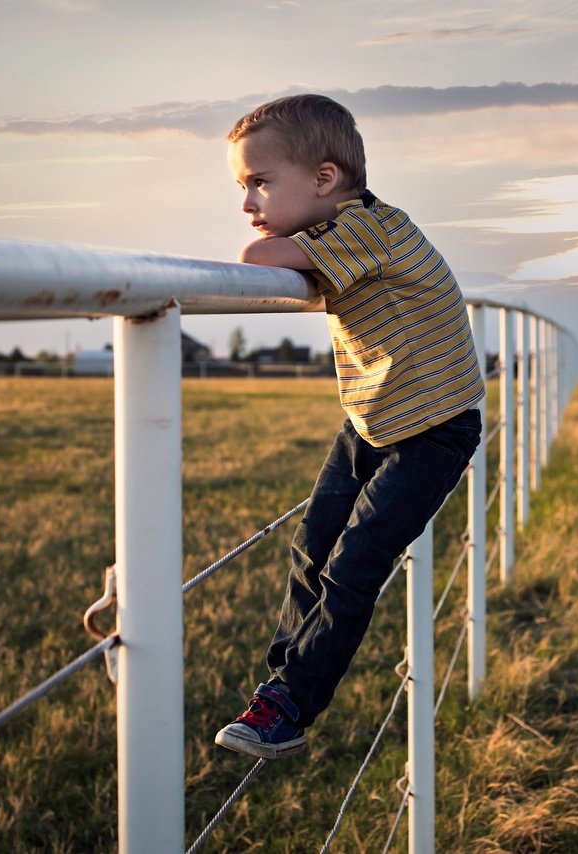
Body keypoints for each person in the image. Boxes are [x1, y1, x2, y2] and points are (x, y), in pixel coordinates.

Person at [214, 94, 485, 759]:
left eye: (259, 182)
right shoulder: (346, 230)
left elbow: (260, 256)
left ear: (325, 180)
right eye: (242, 186)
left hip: (434, 426)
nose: (247, 201)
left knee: (354, 563)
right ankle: (280, 682)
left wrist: (268, 240)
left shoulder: (368, 228)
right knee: (312, 546)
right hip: (375, 415)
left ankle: (292, 704)